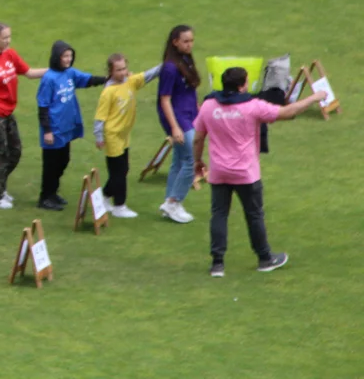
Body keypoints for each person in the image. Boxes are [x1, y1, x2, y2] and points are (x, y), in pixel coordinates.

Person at [194, 67, 328, 277]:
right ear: (242, 85)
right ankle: (265, 258)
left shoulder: (209, 105)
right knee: (254, 215)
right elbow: (287, 112)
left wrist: (197, 161)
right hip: (246, 173)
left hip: (219, 171)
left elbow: (198, 137)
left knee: (219, 215)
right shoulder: (252, 106)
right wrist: (314, 97)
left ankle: (217, 264)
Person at [0, 22, 46, 209]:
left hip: (7, 111)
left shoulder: (10, 55)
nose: (7, 41)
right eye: (4, 38)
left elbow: (28, 73)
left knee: (15, 151)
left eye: (9, 37)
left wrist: (53, 70)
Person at [35, 41, 107, 210]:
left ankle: (52, 193)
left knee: (63, 160)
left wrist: (107, 79)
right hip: (54, 130)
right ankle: (45, 197)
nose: (68, 59)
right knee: (51, 164)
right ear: (56, 57)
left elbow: (87, 80)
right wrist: (47, 131)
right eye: (64, 56)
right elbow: (43, 106)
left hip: (66, 127)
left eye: (70, 56)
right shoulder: (49, 79)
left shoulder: (70, 73)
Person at [93, 53, 161, 218]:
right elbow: (100, 117)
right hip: (112, 135)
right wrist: (99, 137)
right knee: (119, 172)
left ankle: (105, 197)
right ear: (110, 71)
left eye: (124, 68)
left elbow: (149, 75)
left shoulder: (130, 82)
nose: (123, 72)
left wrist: (166, 64)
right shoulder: (108, 92)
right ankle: (119, 206)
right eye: (118, 70)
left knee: (122, 169)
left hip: (124, 135)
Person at [157, 24, 200, 223]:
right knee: (190, 160)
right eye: (185, 41)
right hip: (179, 117)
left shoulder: (186, 60)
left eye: (191, 41)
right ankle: (174, 201)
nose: (189, 45)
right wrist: (174, 127)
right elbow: (164, 99)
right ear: (175, 42)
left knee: (178, 160)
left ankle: (170, 202)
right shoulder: (169, 68)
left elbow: (190, 90)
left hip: (189, 114)